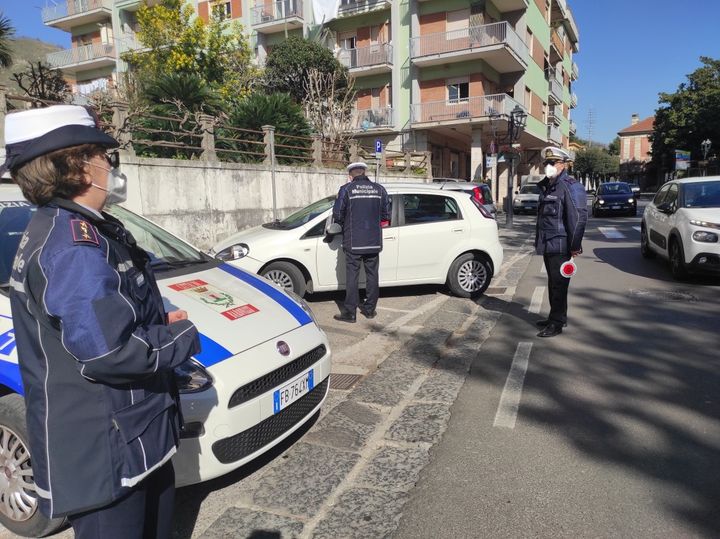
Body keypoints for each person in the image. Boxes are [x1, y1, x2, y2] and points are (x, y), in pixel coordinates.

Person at [1, 105, 200, 538]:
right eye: (102, 155)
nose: (109, 166)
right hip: (109, 455)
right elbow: (110, 351)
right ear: (78, 165)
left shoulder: (72, 227)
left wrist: (154, 315)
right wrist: (182, 336)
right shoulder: (71, 245)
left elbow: (99, 311)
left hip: (131, 439)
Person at [534, 146, 588, 338]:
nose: (548, 166)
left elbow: (578, 219)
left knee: (559, 285)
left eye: (553, 163)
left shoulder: (570, 186)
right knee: (553, 283)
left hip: (561, 245)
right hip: (548, 243)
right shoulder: (549, 185)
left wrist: (574, 246)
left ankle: (556, 324)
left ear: (563, 164)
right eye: (546, 163)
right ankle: (555, 316)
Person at [332, 161, 390, 323]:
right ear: (365, 172)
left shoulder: (347, 189)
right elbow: (386, 215)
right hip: (373, 242)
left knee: (352, 277)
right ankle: (370, 310)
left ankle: (350, 313)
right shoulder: (380, 189)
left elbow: (338, 214)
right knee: (372, 275)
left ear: (350, 176)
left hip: (354, 241)